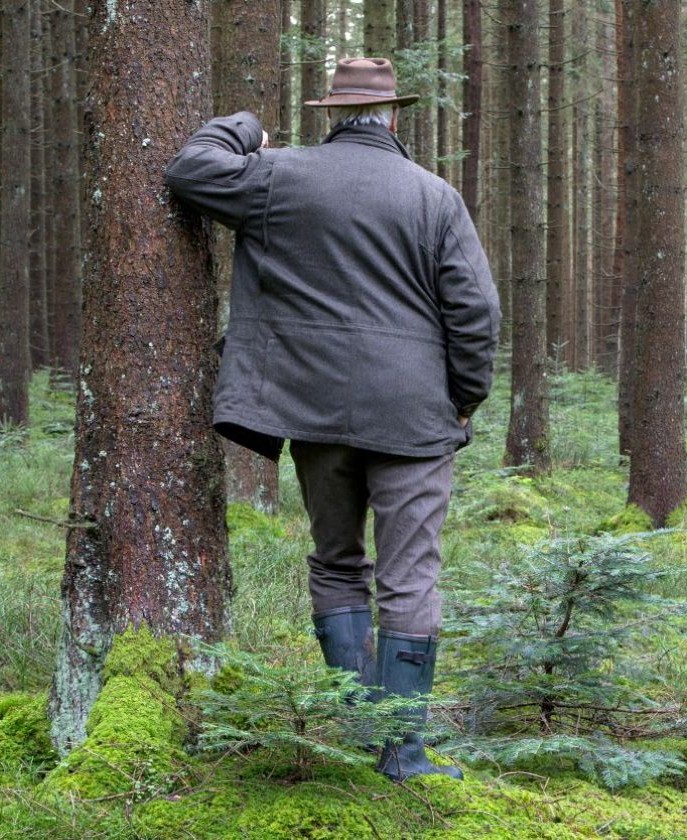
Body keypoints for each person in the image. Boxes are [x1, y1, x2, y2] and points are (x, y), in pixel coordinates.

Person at [165, 57, 498, 782]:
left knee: (337, 562)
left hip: (313, 411)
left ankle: (357, 729)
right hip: (414, 417)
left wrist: (246, 128)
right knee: (410, 577)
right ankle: (401, 752)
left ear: (331, 114)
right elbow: (475, 312)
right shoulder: (434, 196)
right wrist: (464, 398)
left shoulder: (277, 176)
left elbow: (190, 169)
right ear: (395, 115)